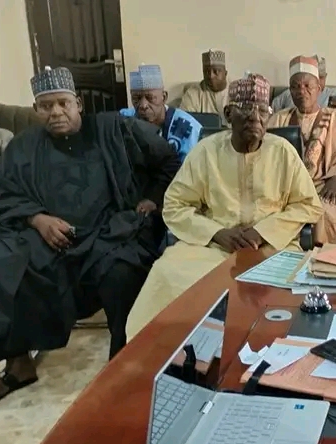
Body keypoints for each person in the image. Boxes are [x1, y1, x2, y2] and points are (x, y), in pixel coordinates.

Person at [0, 67, 181, 401]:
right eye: (46, 106)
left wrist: (152, 199)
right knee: (5, 259)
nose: (56, 112)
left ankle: (125, 367)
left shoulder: (115, 129)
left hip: (109, 232)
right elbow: (4, 196)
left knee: (122, 272)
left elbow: (169, 161)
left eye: (63, 103)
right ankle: (19, 364)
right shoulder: (24, 147)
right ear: (36, 110)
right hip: (51, 240)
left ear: (78, 104)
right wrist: (37, 219)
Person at [125, 74, 324, 340]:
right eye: (246, 110)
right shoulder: (206, 151)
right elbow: (174, 204)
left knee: (296, 294)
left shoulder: (283, 151)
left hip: (271, 247)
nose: (255, 118)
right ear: (229, 114)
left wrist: (263, 231)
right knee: (166, 275)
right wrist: (217, 233)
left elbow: (309, 204)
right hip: (212, 248)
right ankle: (162, 354)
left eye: (262, 111)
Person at [266, 55, 336, 245]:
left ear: (319, 88)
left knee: (325, 212)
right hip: (285, 189)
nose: (301, 91)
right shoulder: (278, 120)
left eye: (307, 86)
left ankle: (323, 259)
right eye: (295, 87)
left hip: (325, 187)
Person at [120, 64, 202, 162]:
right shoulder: (124, 118)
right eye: (136, 98)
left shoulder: (188, 127)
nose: (143, 105)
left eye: (150, 98)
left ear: (164, 97)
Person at [271, 55, 336, 121]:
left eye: (321, 78)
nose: (302, 91)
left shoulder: (334, 94)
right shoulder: (289, 94)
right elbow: (271, 112)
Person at [181, 50, 230, 127]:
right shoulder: (192, 94)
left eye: (216, 71)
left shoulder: (238, 93)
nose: (211, 76)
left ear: (225, 73)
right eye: (206, 72)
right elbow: (184, 123)